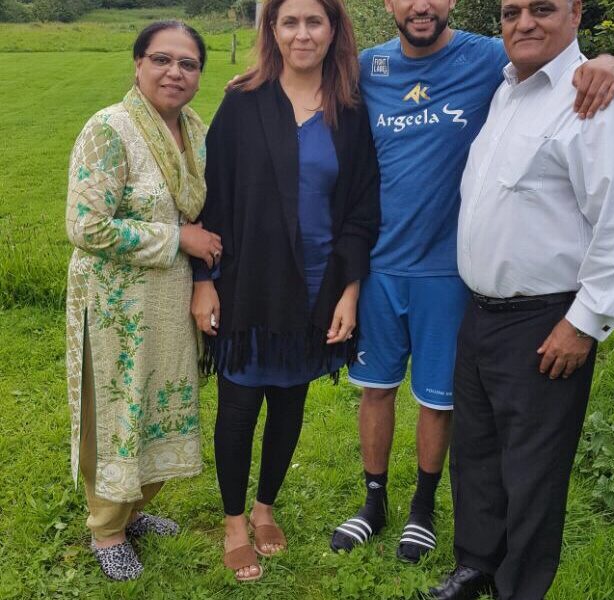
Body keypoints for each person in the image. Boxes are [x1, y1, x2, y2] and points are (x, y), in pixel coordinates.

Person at [330, 0, 614, 564]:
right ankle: (373, 502)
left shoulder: (490, 56)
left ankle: (422, 508)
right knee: (376, 388)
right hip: (380, 264)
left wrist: (608, 62)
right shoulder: (366, 67)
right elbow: (303, 77)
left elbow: (557, 54)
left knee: (437, 399)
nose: (421, 5)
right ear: (387, 4)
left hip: (447, 269)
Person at [427, 0, 614, 597]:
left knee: (531, 471)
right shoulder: (506, 90)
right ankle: (476, 563)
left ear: (576, 14)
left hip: (544, 320)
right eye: (511, 12)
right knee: (475, 454)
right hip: (478, 313)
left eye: (543, 9)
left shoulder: (596, 104)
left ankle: (519, 588)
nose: (524, 22)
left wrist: (584, 323)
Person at [191, 0, 380, 583]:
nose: (303, 33)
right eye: (289, 21)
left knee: (289, 404)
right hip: (249, 287)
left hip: (317, 287)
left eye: (314, 21)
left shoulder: (349, 110)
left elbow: (360, 211)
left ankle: (266, 507)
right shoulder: (243, 101)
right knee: (240, 405)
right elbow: (212, 201)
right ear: (271, 30)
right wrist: (203, 282)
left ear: (333, 30)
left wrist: (349, 292)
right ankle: (232, 522)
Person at [65, 21, 220, 581]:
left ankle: (133, 511)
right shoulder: (109, 129)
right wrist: (177, 239)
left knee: (157, 407)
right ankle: (106, 529)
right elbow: (85, 226)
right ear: (137, 65)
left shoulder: (196, 131)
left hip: (169, 300)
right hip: (114, 308)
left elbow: (201, 209)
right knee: (115, 414)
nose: (175, 72)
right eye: (162, 59)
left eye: (188, 63)